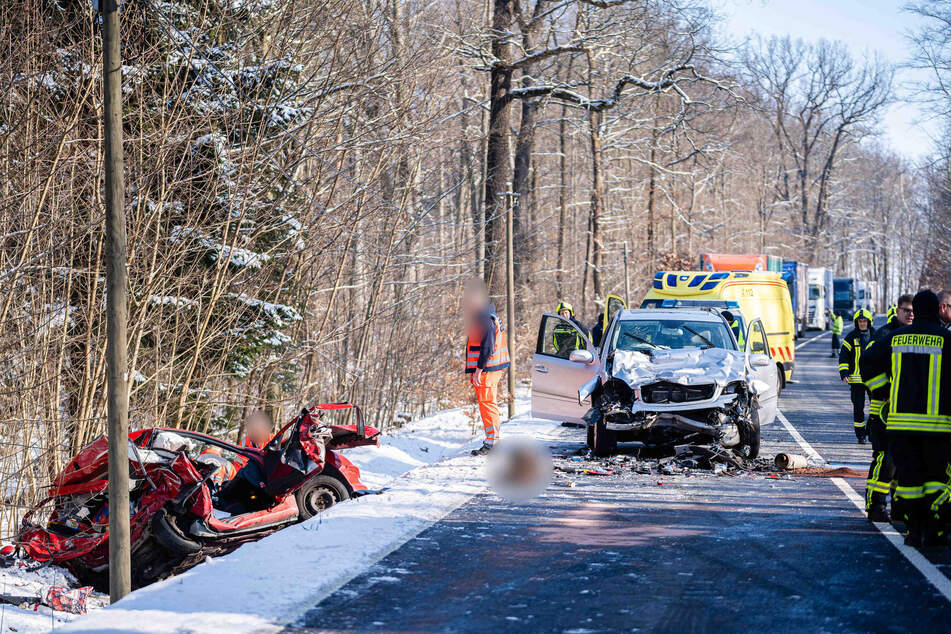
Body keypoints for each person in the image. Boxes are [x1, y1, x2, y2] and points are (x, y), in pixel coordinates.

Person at [863, 290, 951, 547]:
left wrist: (884, 391)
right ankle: (935, 528)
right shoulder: (946, 339)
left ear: (917, 310)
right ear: (937, 310)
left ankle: (913, 531)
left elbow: (867, 363)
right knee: (936, 478)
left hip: (901, 425)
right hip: (939, 427)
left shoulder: (895, 338)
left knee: (909, 479)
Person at [860, 295, 913, 522]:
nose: (910, 315)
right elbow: (867, 365)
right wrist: (884, 390)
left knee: (904, 462)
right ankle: (876, 505)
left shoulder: (915, 336)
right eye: (906, 310)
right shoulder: (884, 336)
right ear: (897, 310)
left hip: (907, 412)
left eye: (913, 311)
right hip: (883, 411)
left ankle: (899, 507)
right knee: (885, 460)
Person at [464, 279, 510, 456]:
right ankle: (491, 439)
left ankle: (492, 442)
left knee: (488, 404)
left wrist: (478, 370)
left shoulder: (487, 319)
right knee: (486, 404)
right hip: (488, 369)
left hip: (487, 370)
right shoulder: (486, 317)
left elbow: (487, 348)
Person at [839, 308, 875, 443]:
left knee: (875, 408)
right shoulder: (851, 337)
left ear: (869, 322)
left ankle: (871, 432)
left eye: (864, 321)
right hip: (856, 380)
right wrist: (844, 372)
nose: (862, 323)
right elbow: (843, 357)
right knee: (858, 408)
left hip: (874, 380)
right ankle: (861, 435)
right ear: (856, 322)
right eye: (860, 321)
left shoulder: (876, 335)